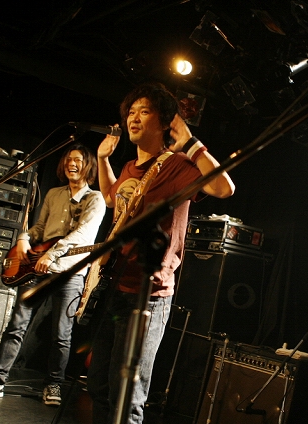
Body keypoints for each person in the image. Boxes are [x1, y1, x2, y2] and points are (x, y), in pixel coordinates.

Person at [86, 82, 234, 424]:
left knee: (126, 398)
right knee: (98, 386)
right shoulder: (129, 167)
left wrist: (192, 144)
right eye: (130, 112)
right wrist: (103, 158)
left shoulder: (178, 165)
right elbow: (111, 199)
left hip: (147, 296)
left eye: (144, 111)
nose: (133, 118)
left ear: (165, 122)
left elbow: (224, 188)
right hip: (114, 288)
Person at [0, 143, 105, 406]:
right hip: (37, 268)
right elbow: (41, 228)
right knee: (16, 325)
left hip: (69, 273)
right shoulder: (53, 193)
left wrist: (51, 255)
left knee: (61, 335)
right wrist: (24, 238)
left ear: (88, 165)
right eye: (68, 159)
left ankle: (53, 385)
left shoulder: (95, 199)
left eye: (77, 159)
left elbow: (83, 234)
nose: (71, 163)